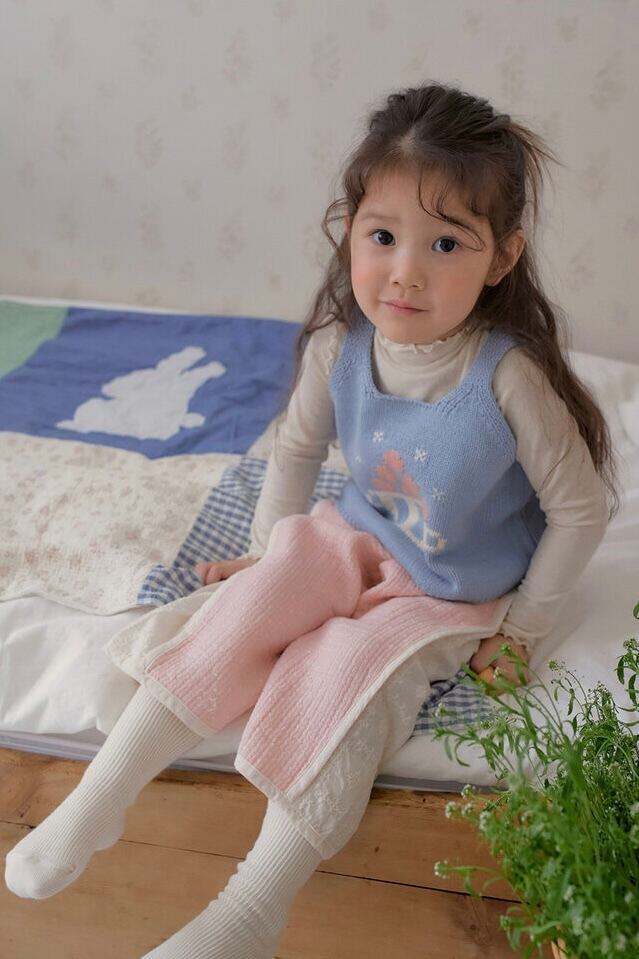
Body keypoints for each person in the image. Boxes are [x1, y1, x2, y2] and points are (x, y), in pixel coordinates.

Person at [5, 82, 618, 958]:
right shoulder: (341, 346)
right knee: (243, 612)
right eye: (382, 236)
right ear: (348, 230)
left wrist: (521, 630)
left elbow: (580, 509)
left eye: (446, 243)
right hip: (353, 532)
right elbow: (294, 451)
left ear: (501, 257)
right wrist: (267, 552)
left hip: (450, 584)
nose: (405, 271)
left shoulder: (504, 376)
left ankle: (250, 910)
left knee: (346, 671)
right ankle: (97, 801)